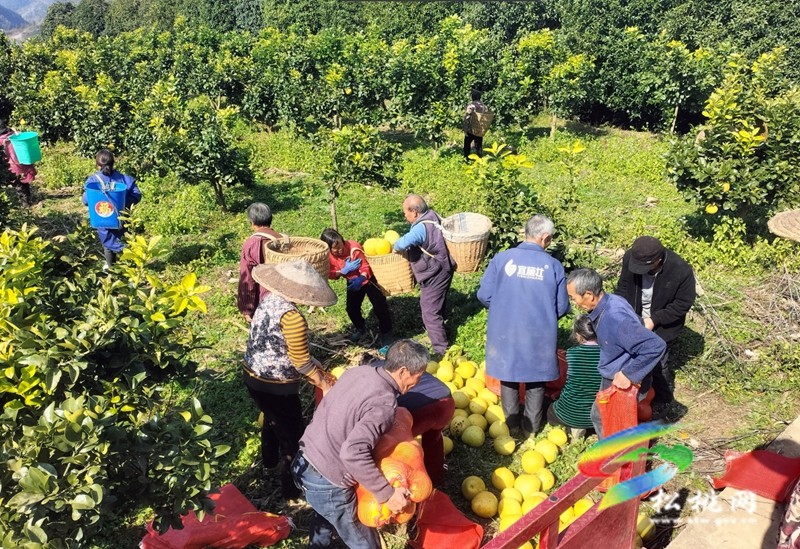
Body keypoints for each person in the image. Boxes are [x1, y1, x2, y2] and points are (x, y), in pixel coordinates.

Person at [291, 339, 429, 549]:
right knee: (363, 540)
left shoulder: (358, 372)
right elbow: (352, 453)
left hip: (304, 460)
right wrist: (387, 494)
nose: (417, 383)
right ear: (403, 371)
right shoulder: (384, 403)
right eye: (417, 377)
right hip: (328, 480)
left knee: (326, 513)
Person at [244, 259, 337, 500]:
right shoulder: (292, 317)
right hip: (276, 386)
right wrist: (324, 383)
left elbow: (282, 346)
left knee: (272, 419)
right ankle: (291, 490)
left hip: (253, 376)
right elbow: (300, 363)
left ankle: (269, 460)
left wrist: (312, 361)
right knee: (292, 436)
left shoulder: (269, 300)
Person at [477, 214, 570, 437]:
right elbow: (562, 307)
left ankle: (511, 426)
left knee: (507, 373)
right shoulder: (553, 266)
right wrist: (544, 316)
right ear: (545, 238)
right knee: (536, 378)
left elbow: (484, 294)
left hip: (504, 329)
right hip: (539, 333)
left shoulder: (502, 259)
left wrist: (503, 309)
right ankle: (531, 430)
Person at [566, 268, 666, 438]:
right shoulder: (612, 300)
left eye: (573, 298)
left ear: (589, 295)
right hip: (616, 370)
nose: (573, 303)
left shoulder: (614, 319)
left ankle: (614, 458)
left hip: (620, 379)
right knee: (605, 417)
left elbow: (655, 345)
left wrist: (629, 374)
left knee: (603, 418)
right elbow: (637, 326)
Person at [615, 236, 695, 416]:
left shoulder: (680, 270)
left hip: (661, 324)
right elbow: (623, 286)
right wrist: (621, 311)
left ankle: (664, 398)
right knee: (628, 355)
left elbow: (682, 304)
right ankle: (634, 392)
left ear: (658, 260)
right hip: (633, 316)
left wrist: (654, 320)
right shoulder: (631, 257)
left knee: (659, 361)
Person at [392, 195, 453, 356]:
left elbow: (401, 244)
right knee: (437, 304)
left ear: (415, 212)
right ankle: (442, 331)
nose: (405, 217)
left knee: (429, 311)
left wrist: (393, 245)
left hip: (434, 273)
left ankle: (441, 349)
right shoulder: (431, 215)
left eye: (405, 213)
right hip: (442, 269)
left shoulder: (420, 228)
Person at [320, 228, 392, 344]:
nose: (339, 250)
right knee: (351, 308)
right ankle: (360, 328)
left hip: (368, 279)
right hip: (352, 281)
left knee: (380, 305)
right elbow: (329, 273)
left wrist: (362, 278)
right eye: (335, 248)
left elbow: (365, 266)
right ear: (328, 248)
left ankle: (387, 332)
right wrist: (342, 271)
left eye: (340, 245)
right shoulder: (328, 256)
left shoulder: (353, 248)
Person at [82, 149, 142, 269]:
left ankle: (111, 268)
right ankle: (130, 270)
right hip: (122, 217)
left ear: (97, 164)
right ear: (113, 162)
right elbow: (137, 194)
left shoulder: (93, 182)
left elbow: (86, 200)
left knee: (107, 244)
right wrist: (123, 203)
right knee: (126, 241)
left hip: (103, 218)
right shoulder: (125, 179)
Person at [546, 315, 602, 438]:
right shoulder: (607, 355)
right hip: (597, 417)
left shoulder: (571, 353)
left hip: (569, 413)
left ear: (578, 335)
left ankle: (573, 427)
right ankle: (584, 426)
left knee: (549, 409)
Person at [396, 372, 455, 486]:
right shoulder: (396, 362)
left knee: (396, 447)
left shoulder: (373, 384)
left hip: (418, 412)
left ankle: (412, 483)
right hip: (446, 401)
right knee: (433, 436)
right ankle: (436, 474)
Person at [237, 202, 282, 323]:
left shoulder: (252, 244)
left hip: (265, 300)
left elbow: (247, 277)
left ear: (251, 222)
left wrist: (247, 308)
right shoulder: (282, 239)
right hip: (285, 297)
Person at [0, 119, 36, 207]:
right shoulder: (14, 134)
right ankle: (27, 201)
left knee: (18, 183)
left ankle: (25, 204)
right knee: (22, 182)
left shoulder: (2, 139)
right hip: (22, 161)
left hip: (12, 164)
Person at [463, 89, 489, 159]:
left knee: (467, 144)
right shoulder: (484, 106)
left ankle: (466, 158)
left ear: (472, 97)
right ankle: (479, 158)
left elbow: (467, 116)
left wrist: (465, 126)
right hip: (480, 128)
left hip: (471, 128)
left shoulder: (471, 106)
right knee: (479, 145)